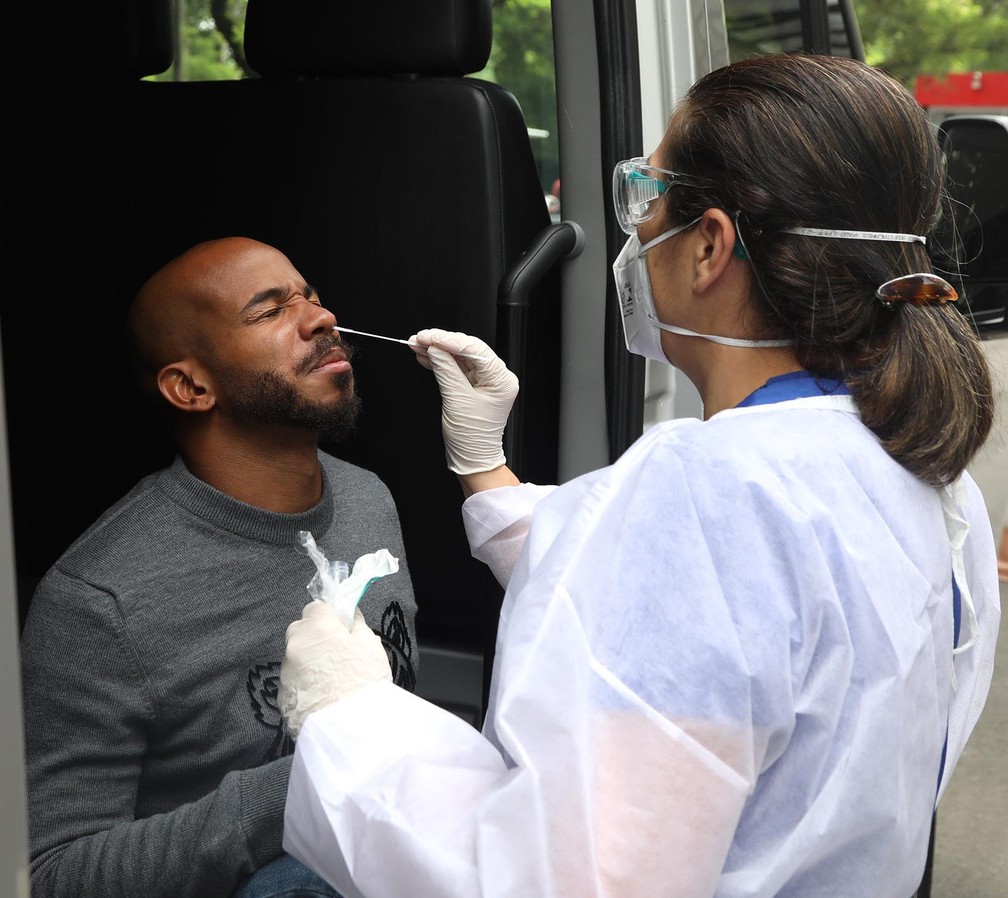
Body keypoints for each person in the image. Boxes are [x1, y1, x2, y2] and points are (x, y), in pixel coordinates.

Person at [277, 54, 1001, 897]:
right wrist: (487, 468)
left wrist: (350, 717)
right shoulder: (924, 471)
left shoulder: (706, 491)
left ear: (709, 246)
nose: (636, 228)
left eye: (646, 192)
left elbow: (559, 881)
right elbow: (719, 622)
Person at [19, 236, 419, 898]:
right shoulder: (102, 601)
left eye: (310, 297)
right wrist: (305, 782)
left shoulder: (368, 500)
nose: (321, 319)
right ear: (190, 386)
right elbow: (51, 873)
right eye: (269, 312)